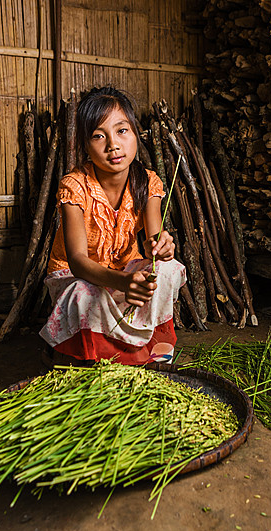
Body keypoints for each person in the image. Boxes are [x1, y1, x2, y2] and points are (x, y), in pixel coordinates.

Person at [39, 87, 187, 365]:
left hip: (125, 276)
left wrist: (162, 247)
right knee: (85, 294)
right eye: (98, 136)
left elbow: (153, 241)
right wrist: (123, 282)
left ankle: (156, 356)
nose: (113, 145)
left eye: (122, 131)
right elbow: (78, 262)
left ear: (135, 134)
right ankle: (95, 360)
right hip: (78, 278)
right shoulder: (75, 186)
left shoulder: (147, 181)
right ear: (85, 145)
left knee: (170, 269)